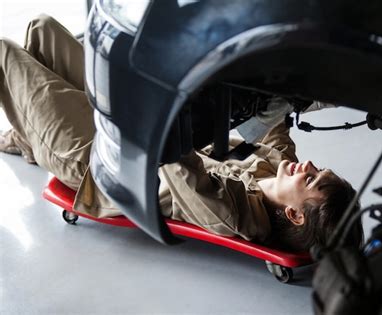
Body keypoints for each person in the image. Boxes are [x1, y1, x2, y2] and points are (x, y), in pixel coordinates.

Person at [0, 15, 363, 252]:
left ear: (295, 215)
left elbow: (174, 157)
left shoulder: (230, 213)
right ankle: (29, 133)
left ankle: (34, 133)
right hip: (132, 129)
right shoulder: (280, 174)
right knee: (41, 29)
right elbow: (276, 129)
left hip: (97, 159)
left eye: (313, 179)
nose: (309, 165)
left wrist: (177, 87)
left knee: (5, 52)